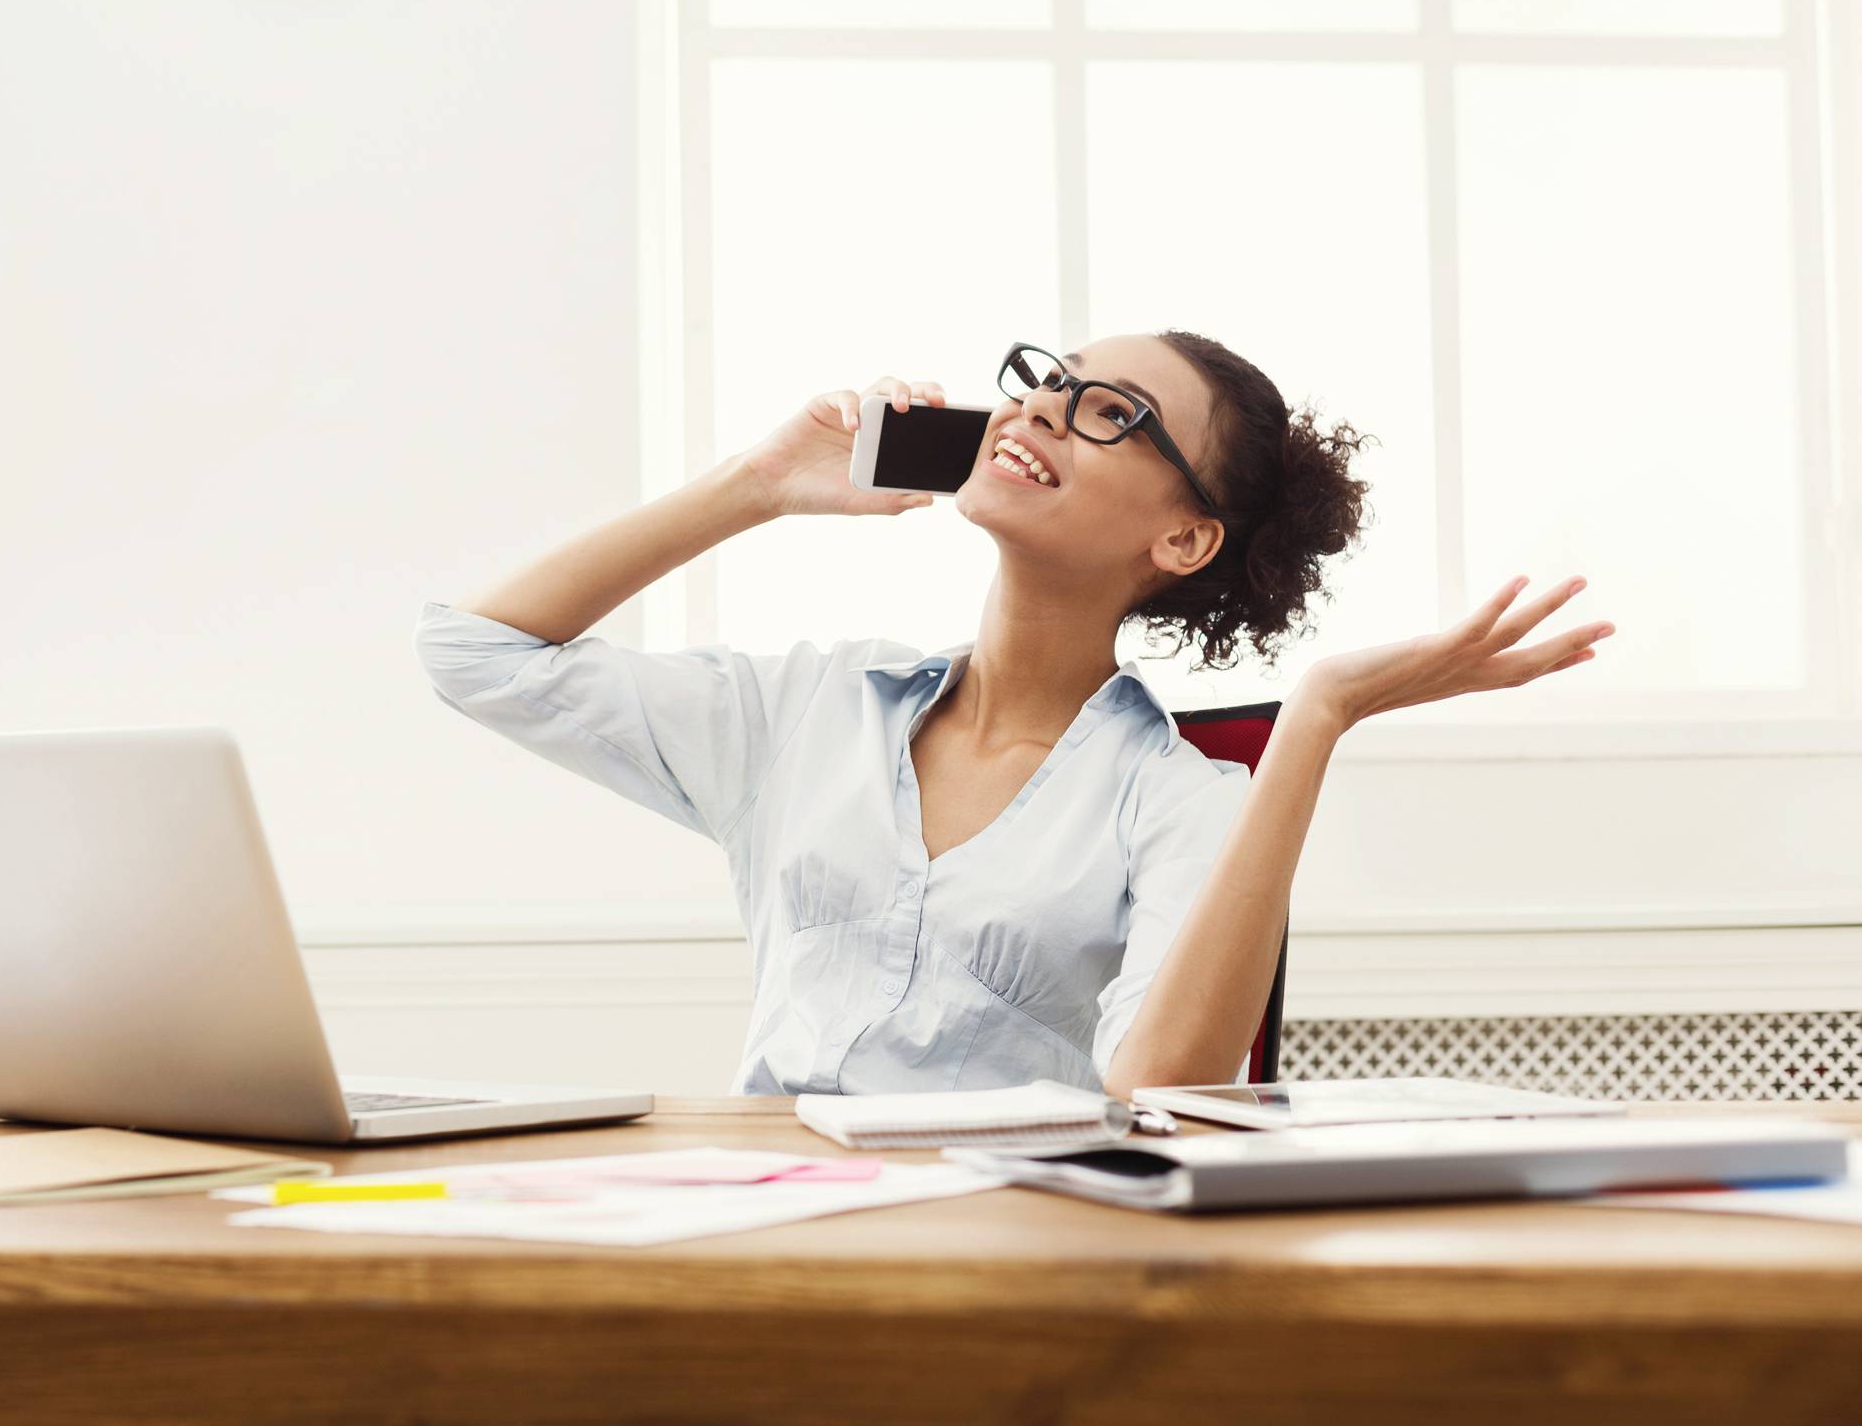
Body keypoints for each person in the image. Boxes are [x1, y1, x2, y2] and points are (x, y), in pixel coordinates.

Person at [414, 331, 1615, 1099]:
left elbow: (1161, 1090)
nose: (1041, 408)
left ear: (1183, 537)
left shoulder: (1181, 798)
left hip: (1010, 1264)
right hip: (765, 1225)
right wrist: (759, 486)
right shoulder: (812, 711)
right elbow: (474, 653)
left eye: (1110, 413)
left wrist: (1318, 715)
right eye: (1050, 381)